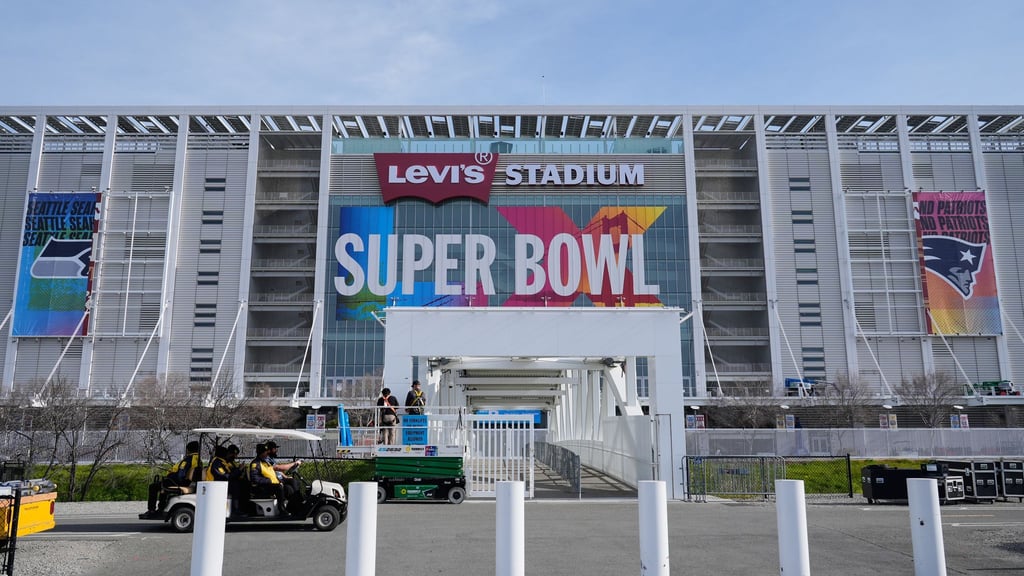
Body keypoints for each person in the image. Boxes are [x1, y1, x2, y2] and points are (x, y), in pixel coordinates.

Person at [141, 440, 201, 519]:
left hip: (181, 482)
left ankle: (151, 510)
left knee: (153, 486)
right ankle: (161, 508)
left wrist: (171, 477)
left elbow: (181, 474)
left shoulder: (188, 460)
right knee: (163, 485)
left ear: (188, 450)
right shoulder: (198, 459)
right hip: (188, 482)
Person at [249, 442, 289, 515]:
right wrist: (270, 481)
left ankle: (292, 507)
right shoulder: (255, 463)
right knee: (278, 488)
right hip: (260, 489)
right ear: (261, 453)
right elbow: (255, 479)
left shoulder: (265, 462)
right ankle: (281, 509)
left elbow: (272, 474)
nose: (267, 454)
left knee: (287, 487)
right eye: (265, 452)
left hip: (267, 486)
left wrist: (279, 480)